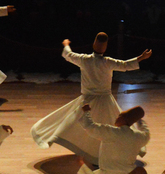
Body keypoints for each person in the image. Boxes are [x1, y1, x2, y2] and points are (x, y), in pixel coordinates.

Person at [30, 33, 152, 164]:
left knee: (82, 124)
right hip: (103, 100)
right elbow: (125, 65)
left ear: (94, 44)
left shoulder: (85, 60)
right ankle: (97, 153)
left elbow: (68, 55)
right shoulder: (107, 62)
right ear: (105, 48)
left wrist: (66, 45)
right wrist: (141, 58)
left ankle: (95, 153)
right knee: (107, 126)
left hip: (90, 100)